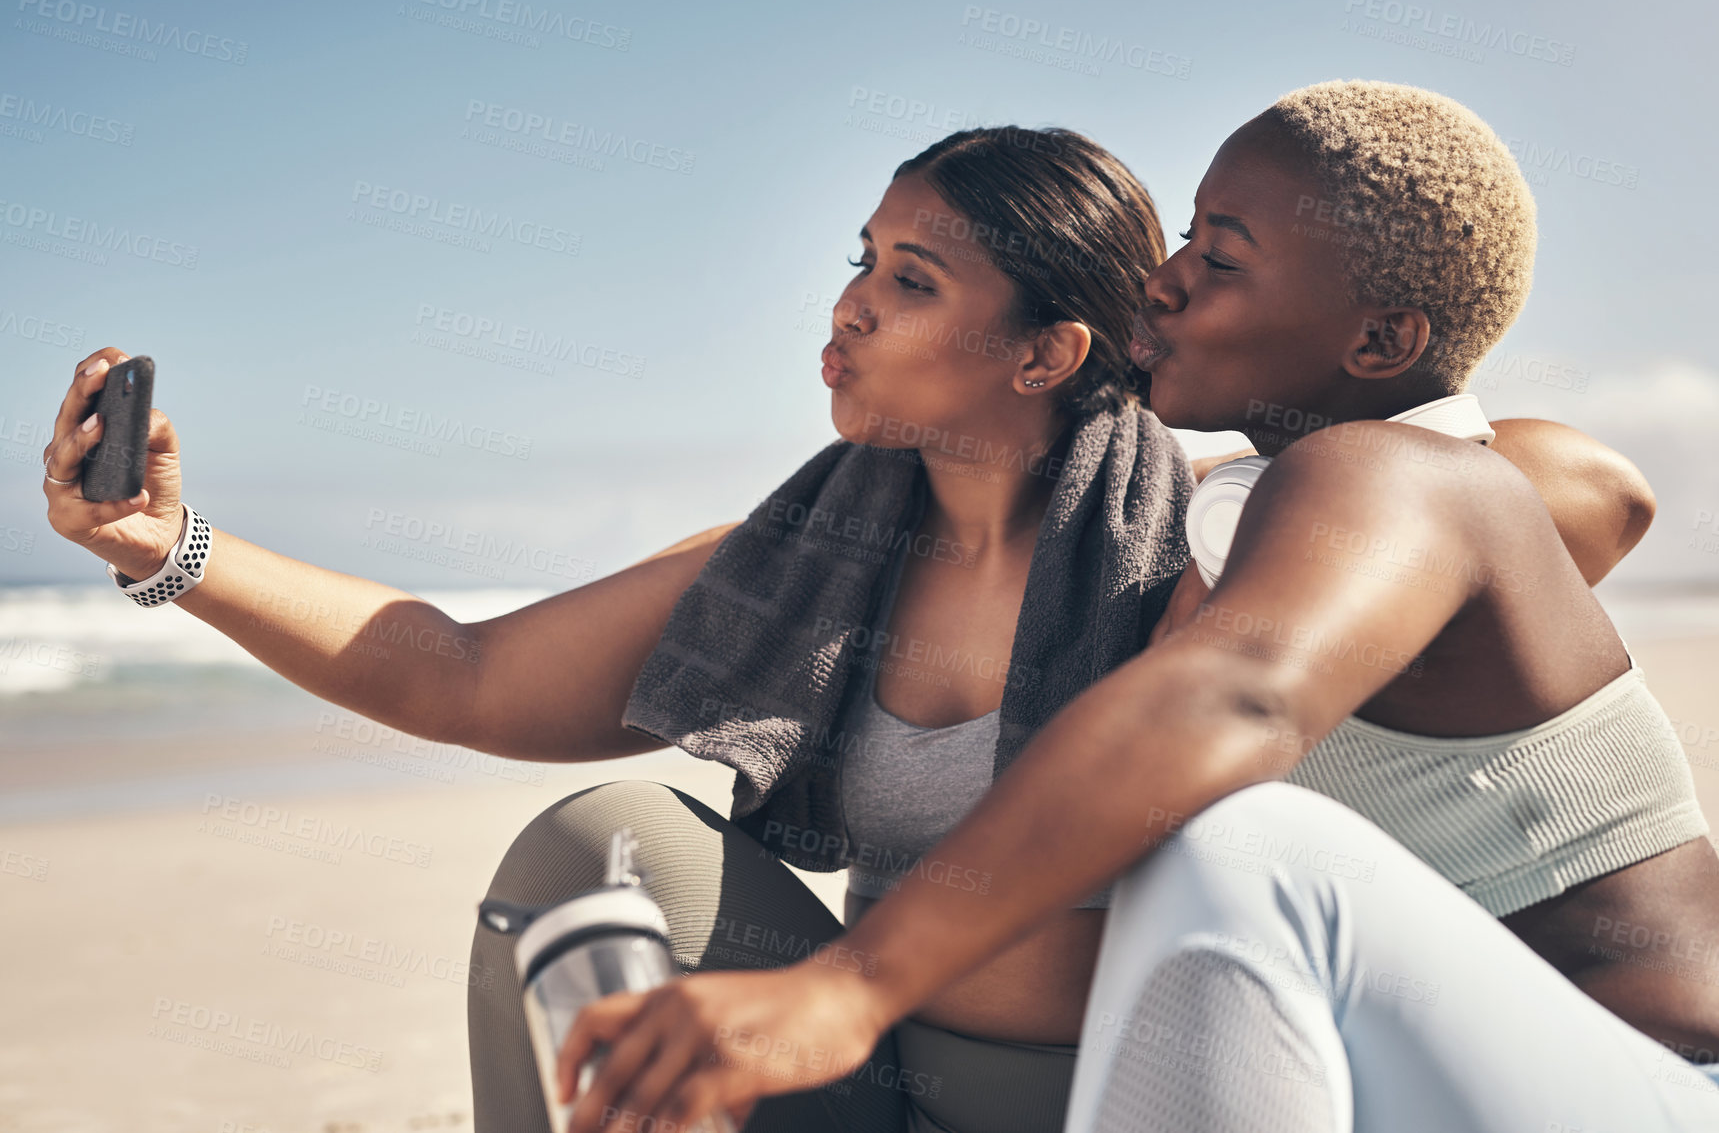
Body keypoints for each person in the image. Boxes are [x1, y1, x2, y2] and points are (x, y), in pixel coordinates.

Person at [41, 121, 1656, 1133]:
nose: (849, 308)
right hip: (859, 1079)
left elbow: (1548, 488)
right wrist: (160, 543)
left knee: (1241, 860)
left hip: (1095, 1086)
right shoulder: (805, 554)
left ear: (1046, 352)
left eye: (912, 279)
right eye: (858, 264)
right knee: (599, 840)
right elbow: (457, 669)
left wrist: (1452, 470)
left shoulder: (1222, 532)